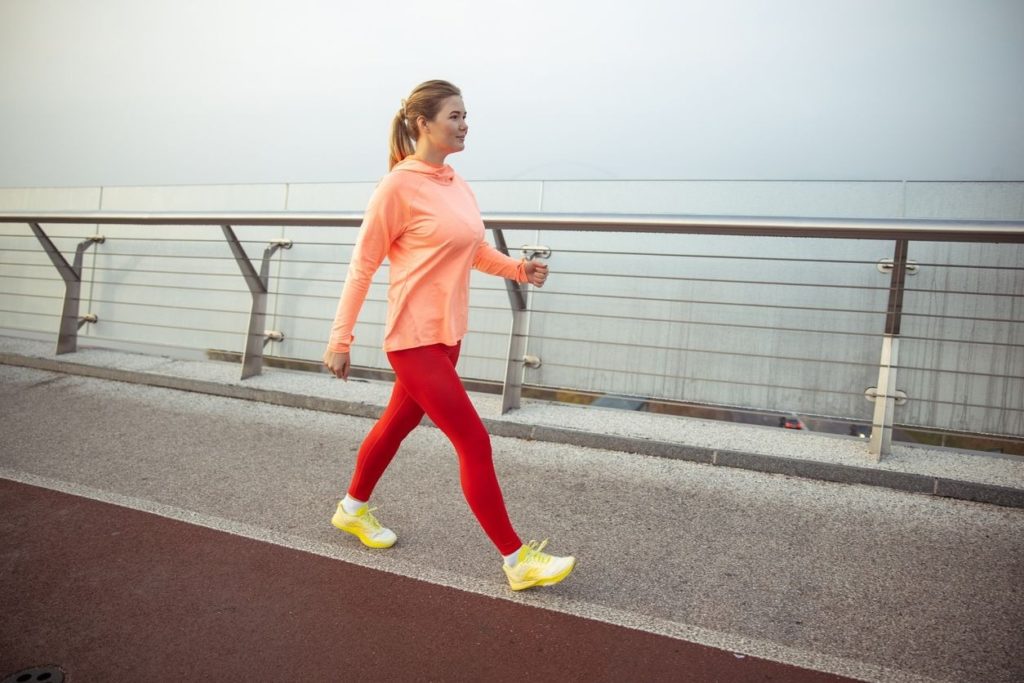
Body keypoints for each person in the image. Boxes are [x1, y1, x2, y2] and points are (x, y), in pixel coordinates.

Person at [322, 79, 576, 591]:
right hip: (412, 340)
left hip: (447, 335)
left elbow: (473, 249)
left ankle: (352, 509)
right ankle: (517, 559)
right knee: (474, 441)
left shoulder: (456, 183)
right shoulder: (397, 187)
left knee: (395, 425)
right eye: (455, 116)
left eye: (466, 116)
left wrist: (519, 270)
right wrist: (340, 339)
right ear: (424, 124)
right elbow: (363, 265)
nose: (464, 125)